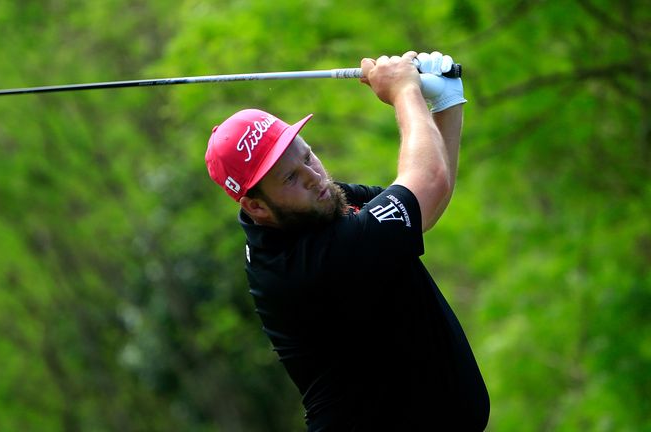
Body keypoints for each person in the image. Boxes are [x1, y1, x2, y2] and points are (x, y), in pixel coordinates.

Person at [205, 51, 490, 430]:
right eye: (290, 178)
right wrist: (405, 91)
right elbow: (429, 182)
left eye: (307, 155)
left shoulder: (317, 204)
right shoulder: (309, 265)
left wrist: (446, 103)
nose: (313, 176)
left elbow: (424, 205)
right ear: (256, 206)